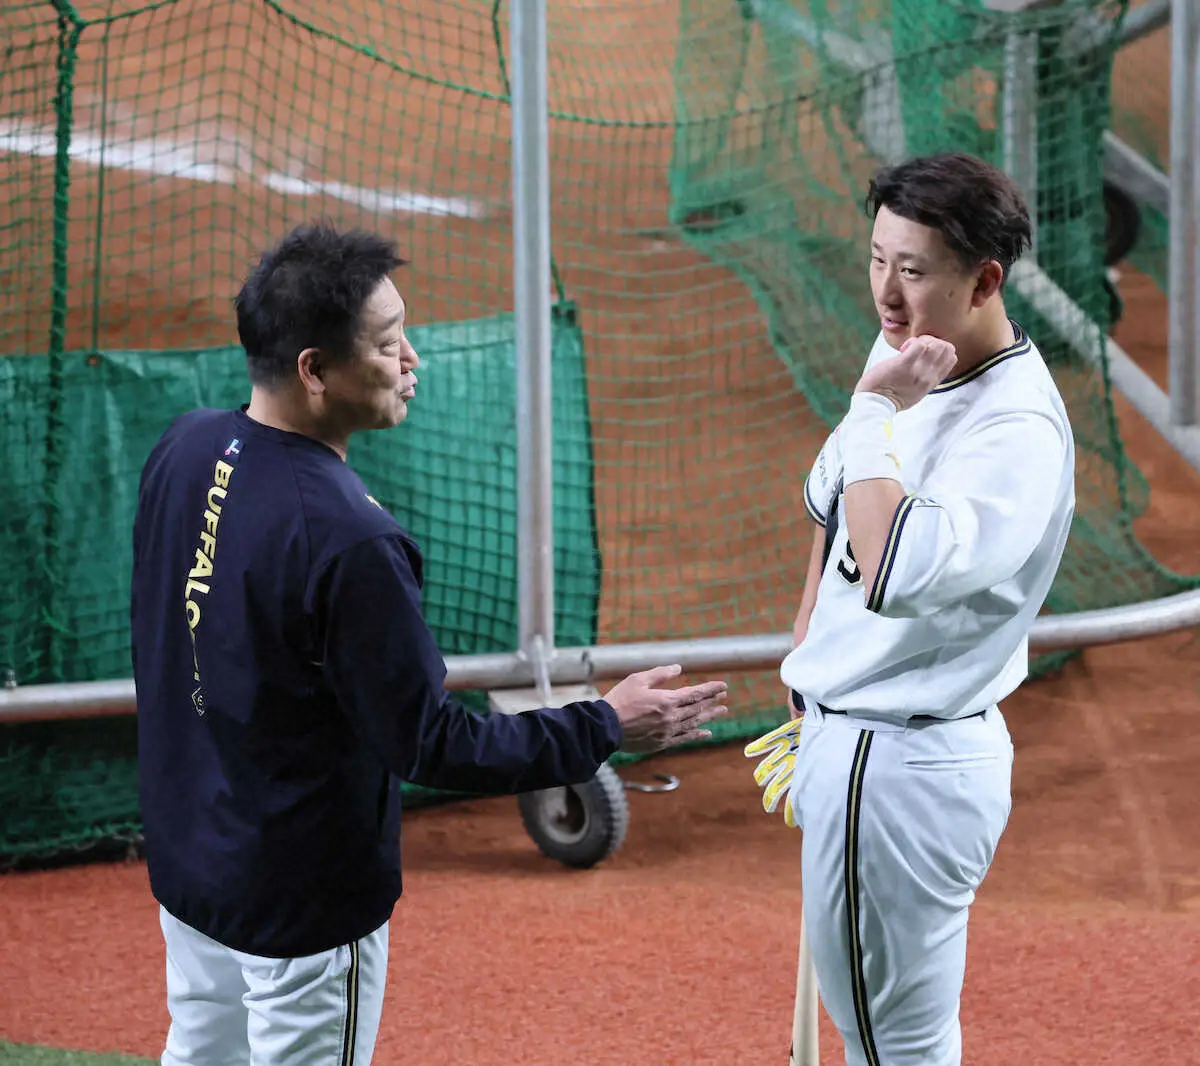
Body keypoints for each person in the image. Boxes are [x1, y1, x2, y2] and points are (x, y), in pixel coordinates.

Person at [130, 220, 728, 1066]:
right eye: (387, 344)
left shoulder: (186, 448)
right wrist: (603, 723)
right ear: (315, 370)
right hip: (299, 904)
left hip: (193, 865)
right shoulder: (349, 541)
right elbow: (434, 743)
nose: (412, 360)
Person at [745, 153, 1076, 1065]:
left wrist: (871, 411)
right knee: (880, 1037)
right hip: (856, 744)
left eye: (915, 269)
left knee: (897, 1048)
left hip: (903, 769)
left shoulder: (1014, 432)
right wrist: (808, 673)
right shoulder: (910, 349)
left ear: (986, 279)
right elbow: (831, 513)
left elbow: (889, 565)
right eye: (877, 259)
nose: (887, 294)